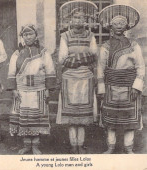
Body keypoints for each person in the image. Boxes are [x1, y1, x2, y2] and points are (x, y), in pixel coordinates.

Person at [98, 5, 145, 154]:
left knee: (130, 120)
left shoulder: (134, 45)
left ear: (126, 26)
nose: (119, 26)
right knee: (111, 120)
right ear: (110, 26)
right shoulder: (105, 46)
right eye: (116, 23)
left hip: (129, 87)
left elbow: (141, 66)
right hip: (111, 87)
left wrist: (137, 87)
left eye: (122, 23)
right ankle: (110, 147)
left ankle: (128, 148)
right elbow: (100, 68)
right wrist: (101, 88)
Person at [56, 0, 98, 154]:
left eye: (81, 18)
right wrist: (83, 57)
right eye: (76, 18)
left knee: (83, 113)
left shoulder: (91, 35)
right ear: (70, 20)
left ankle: (81, 143)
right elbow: (62, 58)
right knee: (71, 114)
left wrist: (76, 58)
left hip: (86, 76)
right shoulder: (65, 36)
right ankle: (73, 144)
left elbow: (94, 55)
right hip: (70, 77)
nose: (79, 20)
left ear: (85, 20)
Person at [7, 24, 56, 154]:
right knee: (24, 117)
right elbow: (12, 72)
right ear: (22, 37)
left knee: (36, 117)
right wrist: (14, 89)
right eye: (25, 35)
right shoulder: (17, 54)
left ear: (36, 36)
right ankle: (26, 145)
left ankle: (35, 145)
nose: (28, 37)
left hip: (38, 90)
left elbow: (50, 71)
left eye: (30, 34)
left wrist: (47, 89)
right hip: (22, 90)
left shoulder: (43, 53)